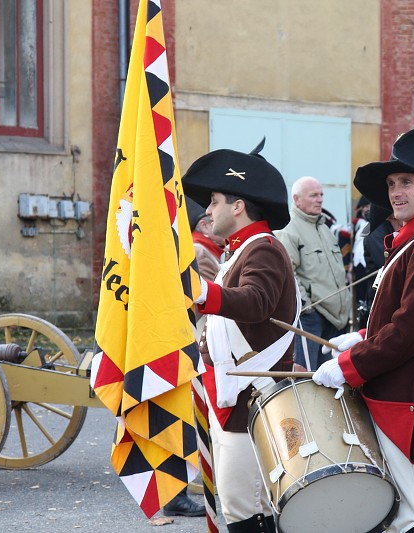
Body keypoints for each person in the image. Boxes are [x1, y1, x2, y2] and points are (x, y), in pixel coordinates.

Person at [313, 128, 414, 533]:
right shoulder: (413, 241)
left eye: (407, 182)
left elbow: (411, 331)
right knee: (399, 516)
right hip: (398, 392)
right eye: (392, 184)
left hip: (411, 395)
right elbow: (408, 320)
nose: (396, 192)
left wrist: (350, 365)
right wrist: (365, 337)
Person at [182, 142, 299, 533]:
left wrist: (202, 292)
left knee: (246, 510)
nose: (208, 211)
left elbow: (255, 303)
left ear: (238, 205)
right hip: (234, 395)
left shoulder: (262, 249)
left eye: (215, 201)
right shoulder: (242, 250)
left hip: (249, 398)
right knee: (240, 507)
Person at [160, 199, 218, 519]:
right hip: (187, 341)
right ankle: (175, 494)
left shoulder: (194, 248)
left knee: (187, 417)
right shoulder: (198, 251)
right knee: (183, 417)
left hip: (187, 341)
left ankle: (177, 490)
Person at [276, 176, 351, 370]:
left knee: (332, 379)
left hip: (336, 319)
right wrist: (307, 308)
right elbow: (287, 273)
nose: (320, 199)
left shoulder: (324, 228)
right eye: (313, 195)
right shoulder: (288, 229)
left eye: (321, 195)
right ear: (297, 199)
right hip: (311, 319)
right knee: (307, 379)